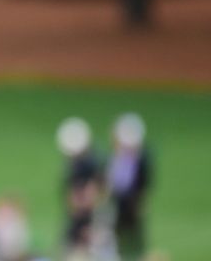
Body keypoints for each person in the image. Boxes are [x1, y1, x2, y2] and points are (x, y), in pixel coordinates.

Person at [55, 117, 104, 259]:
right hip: (79, 218)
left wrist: (80, 203)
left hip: (85, 220)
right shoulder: (80, 163)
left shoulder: (89, 165)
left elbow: (90, 194)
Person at [106, 112, 151, 261]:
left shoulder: (139, 159)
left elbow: (143, 182)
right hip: (118, 199)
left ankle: (137, 255)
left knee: (133, 233)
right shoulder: (118, 156)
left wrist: (141, 200)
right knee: (115, 232)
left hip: (131, 200)